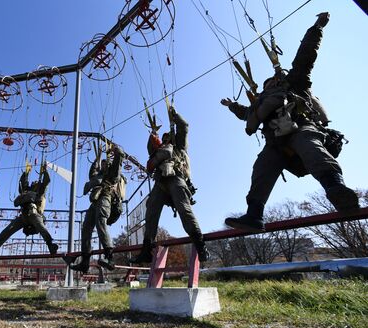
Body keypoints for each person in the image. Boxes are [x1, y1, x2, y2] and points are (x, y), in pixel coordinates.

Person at [220, 12, 359, 233]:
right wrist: (232, 106)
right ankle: (254, 214)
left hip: (301, 128)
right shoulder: (259, 105)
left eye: (273, 81)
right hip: (276, 142)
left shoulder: (294, 83)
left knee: (309, 145)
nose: (270, 84)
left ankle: (335, 187)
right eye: (267, 84)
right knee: (262, 168)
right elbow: (247, 114)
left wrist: (317, 27)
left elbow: (305, 55)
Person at [130, 106, 209, 264]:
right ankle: (147, 249)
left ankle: (200, 245)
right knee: (151, 212)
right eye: (163, 137)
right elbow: (151, 147)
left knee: (184, 209)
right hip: (160, 181)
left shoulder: (179, 146)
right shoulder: (157, 151)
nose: (165, 139)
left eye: (167, 136)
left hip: (175, 177)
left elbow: (184, 127)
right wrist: (153, 132)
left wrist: (175, 116)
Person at [0, 162, 57, 263]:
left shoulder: (39, 191)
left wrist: (45, 171)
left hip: (34, 214)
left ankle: (50, 245)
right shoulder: (24, 191)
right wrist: (26, 172)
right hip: (23, 216)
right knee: (6, 232)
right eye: (32, 182)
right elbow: (22, 182)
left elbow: (47, 181)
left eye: (35, 183)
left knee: (41, 227)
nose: (33, 182)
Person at [70, 144, 126, 273]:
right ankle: (85, 262)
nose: (104, 165)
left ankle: (110, 258)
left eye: (107, 163)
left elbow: (120, 157)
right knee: (86, 228)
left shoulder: (113, 174)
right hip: (95, 202)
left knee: (101, 221)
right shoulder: (97, 175)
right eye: (103, 164)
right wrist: (98, 157)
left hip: (106, 197)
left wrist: (115, 149)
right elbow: (93, 170)